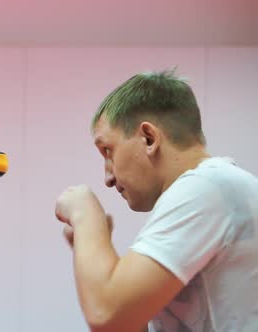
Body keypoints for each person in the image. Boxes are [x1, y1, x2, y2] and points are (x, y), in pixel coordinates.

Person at [55, 69, 258, 331]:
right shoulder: (215, 189)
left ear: (148, 138)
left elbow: (107, 316)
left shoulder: (206, 188)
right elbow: (126, 322)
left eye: (108, 150)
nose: (107, 177)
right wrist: (91, 248)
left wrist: (86, 217)